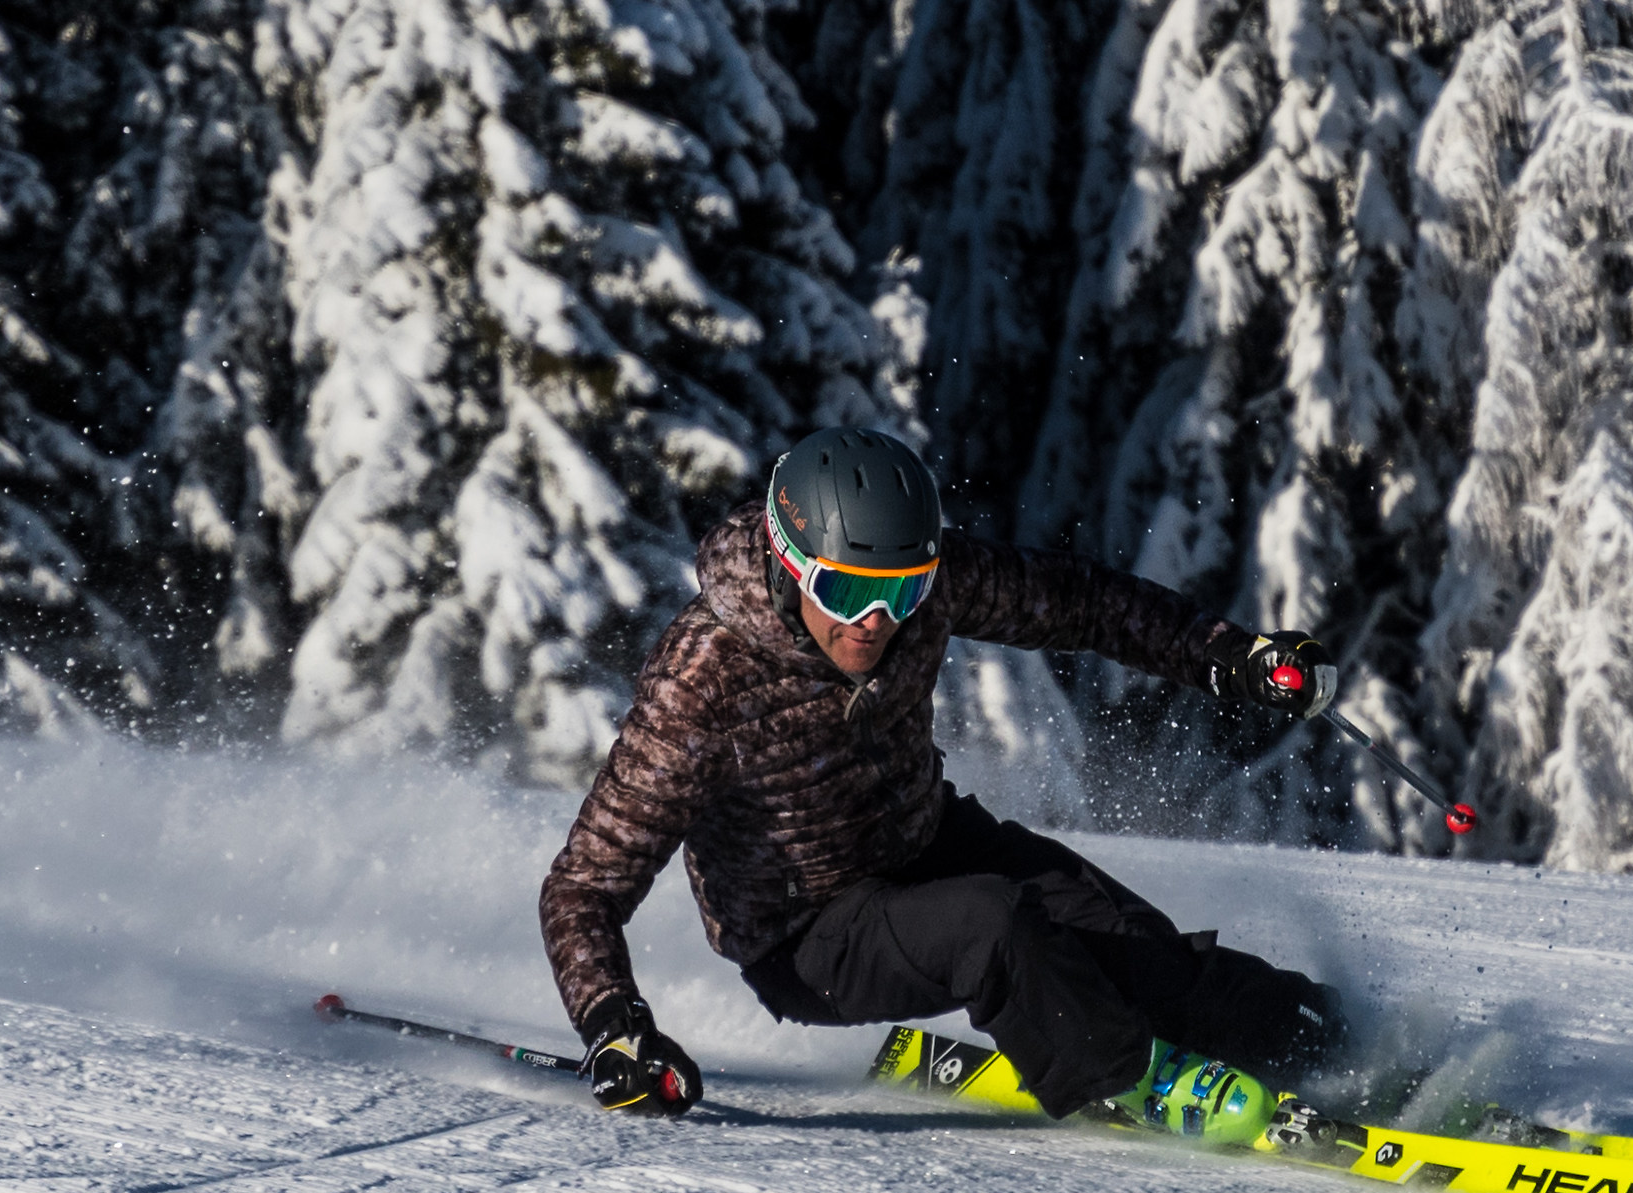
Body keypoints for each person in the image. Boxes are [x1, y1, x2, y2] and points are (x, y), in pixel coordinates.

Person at [540, 427, 1350, 1121]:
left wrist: (1229, 658)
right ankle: (1123, 1079)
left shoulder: (916, 591)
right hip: (806, 934)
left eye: (903, 588)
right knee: (995, 928)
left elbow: (1082, 603)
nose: (876, 620)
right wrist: (613, 1024)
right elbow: (583, 887)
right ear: (791, 570)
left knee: (1137, 949)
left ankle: (1326, 1040)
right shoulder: (701, 682)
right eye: (848, 589)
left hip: (924, 842)